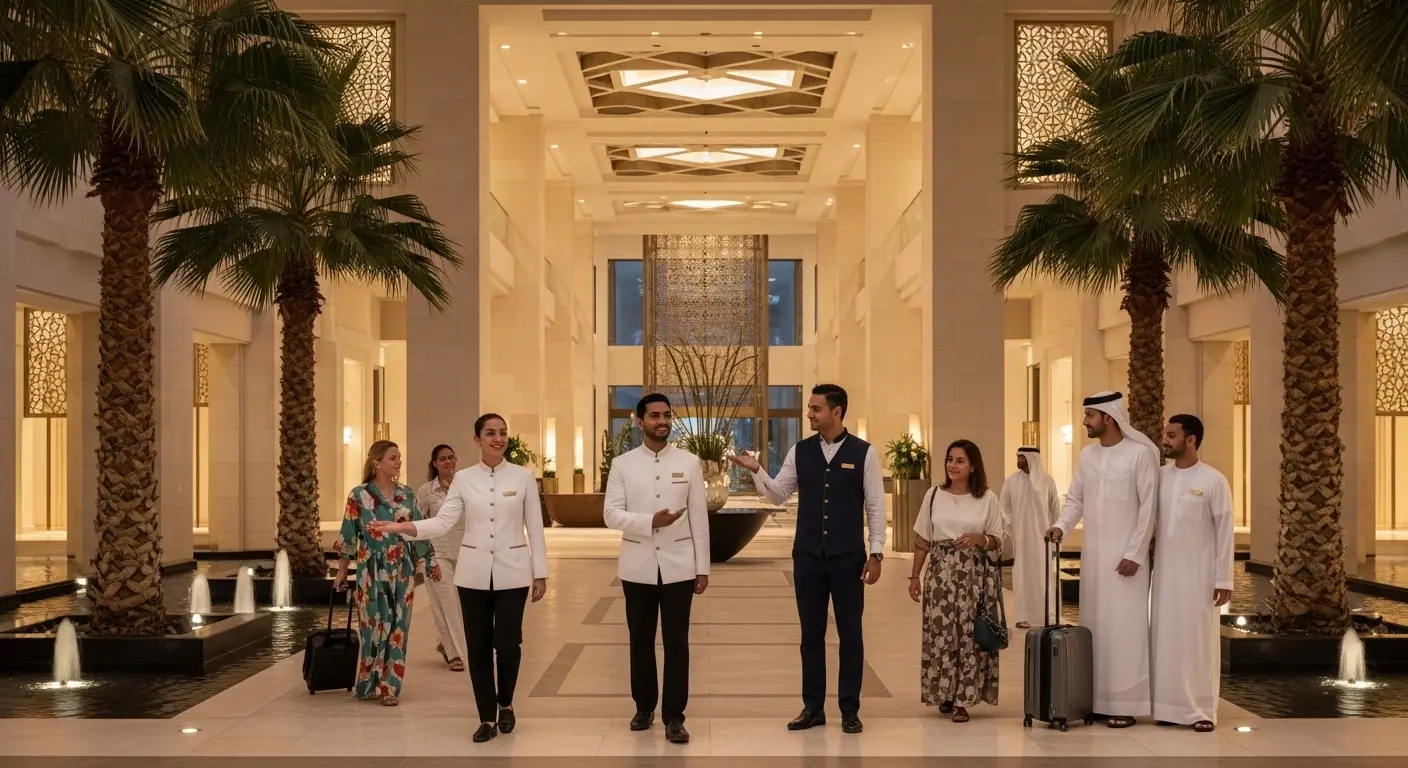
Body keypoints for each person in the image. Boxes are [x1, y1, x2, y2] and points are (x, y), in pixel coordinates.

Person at [370, 414, 549, 743]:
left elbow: (535, 528)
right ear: (477, 439)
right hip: (473, 575)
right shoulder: (465, 479)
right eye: (490, 433)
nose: (498, 438)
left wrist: (540, 572)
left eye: (503, 433)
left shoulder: (523, 476)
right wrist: (403, 528)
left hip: (514, 573)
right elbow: (442, 523)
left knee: (509, 644)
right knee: (478, 648)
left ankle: (505, 703)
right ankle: (486, 718)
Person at [727, 383, 885, 734]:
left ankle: (849, 709)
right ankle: (813, 707)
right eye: (810, 408)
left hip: (848, 558)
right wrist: (756, 470)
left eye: (816, 409)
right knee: (811, 634)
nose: (809, 414)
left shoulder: (864, 453)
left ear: (837, 412)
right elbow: (779, 496)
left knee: (851, 635)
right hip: (809, 557)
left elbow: (875, 505)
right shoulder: (800, 451)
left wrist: (876, 553)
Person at [1046, 391, 1158, 728]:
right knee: (1095, 628)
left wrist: (1135, 553)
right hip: (1094, 560)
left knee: (1125, 630)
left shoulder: (1139, 455)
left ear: (1108, 417)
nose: (1085, 422)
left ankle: (1125, 704)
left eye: (1090, 416)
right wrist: (1060, 527)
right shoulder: (1087, 456)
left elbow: (1148, 508)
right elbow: (1075, 500)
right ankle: (1095, 700)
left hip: (1127, 563)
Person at [603, 393, 710, 745]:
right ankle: (644, 707)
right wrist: (650, 521)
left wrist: (702, 567)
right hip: (637, 567)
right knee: (641, 640)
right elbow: (611, 514)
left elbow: (698, 518)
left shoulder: (690, 462)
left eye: (666, 415)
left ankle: (675, 716)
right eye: (654, 416)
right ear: (640, 422)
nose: (661, 421)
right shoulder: (622, 464)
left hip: (680, 567)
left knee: (677, 643)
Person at [908, 439, 1009, 723]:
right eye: (950, 459)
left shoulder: (987, 498)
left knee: (967, 635)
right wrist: (915, 576)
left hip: (973, 576)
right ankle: (945, 692)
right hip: (940, 575)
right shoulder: (933, 495)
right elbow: (922, 540)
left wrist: (982, 539)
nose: (953, 465)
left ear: (973, 466)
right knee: (941, 634)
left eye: (960, 460)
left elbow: (1000, 541)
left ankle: (964, 699)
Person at [333, 440, 439, 707]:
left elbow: (417, 530)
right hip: (370, 569)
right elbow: (348, 536)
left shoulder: (407, 494)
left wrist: (429, 561)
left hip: (401, 569)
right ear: (377, 462)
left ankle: (390, 686)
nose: (399, 462)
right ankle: (368, 683)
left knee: (398, 627)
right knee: (372, 627)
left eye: (399, 457)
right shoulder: (358, 496)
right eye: (394, 457)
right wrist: (342, 572)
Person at [1151, 415, 1233, 732]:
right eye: (1165, 433)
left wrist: (1223, 579)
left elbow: (1225, 532)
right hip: (1165, 577)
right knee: (1165, 639)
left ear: (1191, 440)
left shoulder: (1214, 480)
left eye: (1172, 435)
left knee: (1198, 644)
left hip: (1199, 578)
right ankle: (1168, 708)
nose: (1165, 439)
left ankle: (1201, 711)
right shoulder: (1159, 477)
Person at [416, 444, 467, 673]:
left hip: (466, 554)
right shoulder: (426, 491)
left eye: (451, 457)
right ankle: (454, 652)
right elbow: (420, 525)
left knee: (463, 605)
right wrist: (425, 559)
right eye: (443, 459)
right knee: (446, 603)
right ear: (435, 464)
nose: (448, 462)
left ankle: (446, 644)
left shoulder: (466, 486)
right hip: (438, 555)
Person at [1000, 447, 1061, 628]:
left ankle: (1047, 614)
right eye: (1017, 456)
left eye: (1021, 457)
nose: (1018, 460)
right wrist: (1009, 529)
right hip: (1021, 538)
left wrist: (1057, 532)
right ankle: (1023, 616)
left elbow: (1055, 510)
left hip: (1044, 539)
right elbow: (1003, 509)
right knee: (1023, 575)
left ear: (1032, 459)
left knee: (1044, 575)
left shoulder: (1047, 481)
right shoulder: (1011, 481)